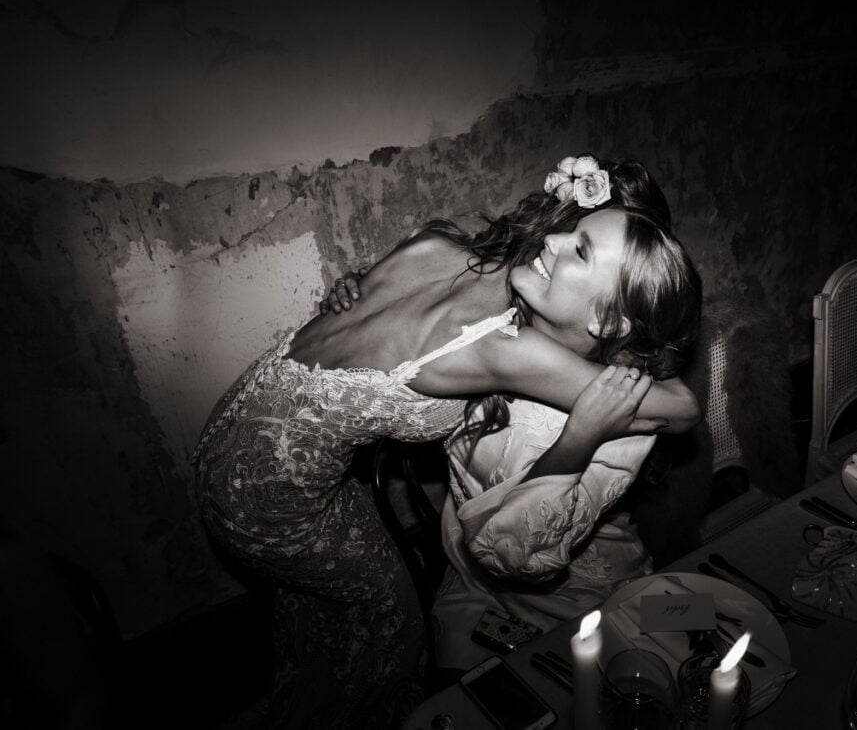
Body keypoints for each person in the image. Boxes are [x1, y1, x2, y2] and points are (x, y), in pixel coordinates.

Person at [192, 154, 702, 729]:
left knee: (685, 651)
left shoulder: (446, 254)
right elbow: (680, 410)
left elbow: (521, 551)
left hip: (580, 585)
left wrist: (586, 434)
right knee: (395, 629)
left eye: (581, 248)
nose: (555, 239)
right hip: (367, 530)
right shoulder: (507, 344)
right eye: (574, 229)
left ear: (612, 318)